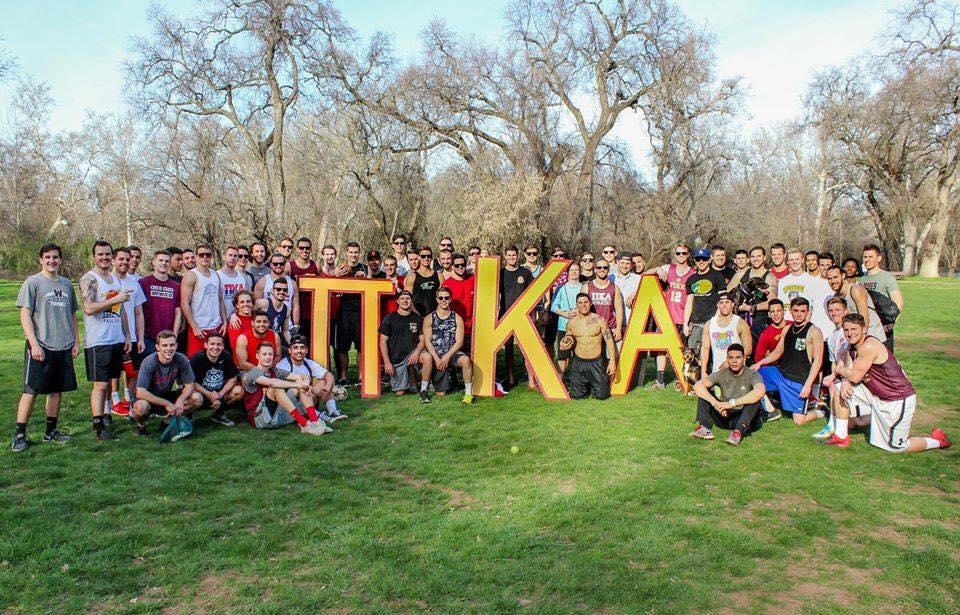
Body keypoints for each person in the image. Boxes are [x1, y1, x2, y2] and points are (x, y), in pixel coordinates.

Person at [823, 313, 950, 452]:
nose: (849, 333)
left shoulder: (869, 346)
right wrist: (845, 379)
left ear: (864, 329)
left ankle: (937, 441)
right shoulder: (851, 344)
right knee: (839, 387)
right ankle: (841, 437)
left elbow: (854, 376)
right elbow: (847, 361)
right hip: (876, 393)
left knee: (897, 447)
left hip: (896, 398)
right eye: (846, 330)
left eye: (854, 329)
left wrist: (841, 371)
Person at [13, 243, 79, 452]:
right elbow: (25, 315)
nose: (52, 261)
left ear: (60, 260)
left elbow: (72, 315)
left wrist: (75, 342)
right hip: (40, 345)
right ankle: (19, 434)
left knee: (56, 391)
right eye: (48, 257)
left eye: (56, 257)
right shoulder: (33, 283)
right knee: (31, 390)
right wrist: (33, 344)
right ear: (41, 259)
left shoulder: (67, 284)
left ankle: (51, 432)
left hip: (63, 346)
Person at [80, 241, 131, 440]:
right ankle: (98, 424)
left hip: (115, 338)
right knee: (100, 385)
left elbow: (122, 310)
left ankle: (107, 415)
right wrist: (115, 300)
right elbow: (89, 308)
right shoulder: (89, 279)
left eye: (108, 254)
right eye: (100, 254)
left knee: (111, 382)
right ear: (94, 256)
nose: (105, 258)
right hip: (98, 340)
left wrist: (126, 335)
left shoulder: (114, 279)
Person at [751, 297, 825, 425]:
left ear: (808, 312)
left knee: (799, 420)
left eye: (803, 311)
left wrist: (808, 385)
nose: (799, 314)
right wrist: (760, 363)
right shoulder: (787, 329)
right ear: (790, 311)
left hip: (798, 381)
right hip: (781, 374)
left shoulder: (814, 331)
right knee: (751, 374)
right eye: (796, 310)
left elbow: (817, 361)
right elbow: (777, 353)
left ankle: (821, 411)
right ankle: (770, 410)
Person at [241, 342, 330, 434]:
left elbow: (303, 376)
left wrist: (305, 383)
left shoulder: (275, 371)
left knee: (300, 382)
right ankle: (304, 424)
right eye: (264, 354)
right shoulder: (253, 372)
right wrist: (297, 385)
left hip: (277, 415)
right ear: (257, 356)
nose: (268, 357)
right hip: (260, 418)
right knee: (276, 387)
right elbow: (272, 383)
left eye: (270, 354)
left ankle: (315, 421)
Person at [689, 344, 766, 446]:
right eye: (731, 358)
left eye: (738, 357)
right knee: (704, 393)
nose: (734, 361)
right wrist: (716, 403)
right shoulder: (721, 373)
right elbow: (698, 386)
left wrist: (732, 403)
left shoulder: (753, 374)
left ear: (744, 358)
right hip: (724, 414)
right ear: (727, 359)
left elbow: (760, 391)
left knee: (754, 400)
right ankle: (704, 428)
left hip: (745, 418)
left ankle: (737, 433)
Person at [132, 330, 201, 436]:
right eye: (164, 345)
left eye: (172, 345)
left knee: (197, 398)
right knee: (141, 408)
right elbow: (140, 393)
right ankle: (141, 426)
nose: (169, 349)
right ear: (157, 347)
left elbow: (189, 384)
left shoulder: (181, 359)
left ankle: (167, 420)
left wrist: (181, 400)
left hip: (171, 395)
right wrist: (166, 404)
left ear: (176, 346)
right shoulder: (149, 362)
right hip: (151, 399)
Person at [646, 243, 693, 389]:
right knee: (661, 349)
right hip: (665, 316)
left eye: (683, 253)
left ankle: (681, 379)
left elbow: (691, 300)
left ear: (688, 255)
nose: (680, 256)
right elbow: (645, 275)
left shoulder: (693, 273)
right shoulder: (668, 268)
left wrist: (686, 323)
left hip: (681, 317)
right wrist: (657, 269)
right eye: (678, 253)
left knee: (680, 349)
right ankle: (660, 380)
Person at [109, 246, 147, 418]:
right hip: (110, 337)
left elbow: (139, 312)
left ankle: (132, 406)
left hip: (130, 336)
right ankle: (109, 406)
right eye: (121, 259)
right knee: (109, 375)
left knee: (133, 372)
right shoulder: (106, 281)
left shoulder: (135, 284)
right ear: (113, 260)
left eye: (127, 259)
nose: (125, 262)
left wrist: (140, 338)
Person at [276, 335, 346, 424]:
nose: (299, 351)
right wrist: (312, 389)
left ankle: (333, 411)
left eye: (302, 348)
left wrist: (328, 386)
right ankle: (318, 415)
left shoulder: (308, 363)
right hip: (291, 402)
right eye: (295, 348)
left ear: (306, 350)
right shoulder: (283, 365)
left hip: (307, 397)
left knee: (324, 381)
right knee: (300, 388)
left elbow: (328, 375)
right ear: (290, 350)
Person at [559, 293, 617, 400]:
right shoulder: (571, 323)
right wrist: (565, 343)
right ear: (576, 305)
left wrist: (612, 361)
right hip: (579, 363)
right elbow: (569, 337)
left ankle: (595, 383)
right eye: (580, 303)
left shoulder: (600, 320)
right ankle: (586, 384)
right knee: (576, 396)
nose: (583, 305)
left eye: (586, 302)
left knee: (602, 396)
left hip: (596, 363)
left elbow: (609, 340)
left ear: (590, 303)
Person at [421, 288, 475, 404]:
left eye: (446, 298)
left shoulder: (457, 318)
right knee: (441, 394)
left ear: (450, 299)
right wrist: (436, 358)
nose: (443, 300)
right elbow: (428, 341)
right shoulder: (429, 318)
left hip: (451, 352)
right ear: (437, 299)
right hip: (436, 353)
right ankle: (424, 390)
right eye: (441, 298)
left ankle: (468, 394)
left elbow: (459, 342)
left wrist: (447, 356)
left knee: (465, 360)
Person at [812, 297, 851, 440]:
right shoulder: (832, 336)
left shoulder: (848, 332)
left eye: (837, 310)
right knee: (832, 386)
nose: (834, 313)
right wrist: (833, 375)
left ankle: (838, 432)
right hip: (841, 374)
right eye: (831, 310)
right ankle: (832, 425)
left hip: (851, 375)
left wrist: (834, 376)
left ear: (845, 311)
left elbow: (847, 358)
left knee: (836, 387)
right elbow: (834, 361)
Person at [180, 244, 226, 357]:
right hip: (199, 327)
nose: (205, 257)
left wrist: (224, 322)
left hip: (216, 326)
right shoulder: (191, 275)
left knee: (215, 359)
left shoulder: (216, 274)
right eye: (201, 255)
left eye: (208, 255)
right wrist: (194, 326)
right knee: (197, 361)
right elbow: (184, 303)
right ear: (196, 257)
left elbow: (220, 300)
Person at [378, 291, 426, 396]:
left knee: (427, 357)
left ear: (411, 301)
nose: (405, 300)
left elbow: (423, 340)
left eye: (408, 298)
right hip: (397, 359)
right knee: (400, 392)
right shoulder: (389, 318)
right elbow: (382, 341)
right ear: (397, 301)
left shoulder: (418, 319)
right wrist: (387, 362)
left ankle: (424, 387)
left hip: (413, 353)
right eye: (402, 298)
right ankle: (404, 378)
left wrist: (417, 352)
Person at [189, 333, 243, 426]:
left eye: (219, 344)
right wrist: (210, 395)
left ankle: (219, 414)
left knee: (238, 391)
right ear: (206, 345)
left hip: (219, 393)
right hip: (202, 393)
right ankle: (188, 415)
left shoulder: (226, 356)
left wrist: (220, 394)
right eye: (212, 344)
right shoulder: (197, 359)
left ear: (222, 346)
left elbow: (233, 378)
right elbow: (192, 382)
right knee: (195, 396)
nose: (215, 347)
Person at [777, 248, 833, 336]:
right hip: (786, 325)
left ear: (802, 260)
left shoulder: (812, 281)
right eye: (791, 260)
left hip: (804, 325)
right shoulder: (782, 282)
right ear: (787, 262)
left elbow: (812, 307)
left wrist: (805, 324)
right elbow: (781, 305)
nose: (794, 262)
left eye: (797, 259)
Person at [333, 242, 367, 385]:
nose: (353, 255)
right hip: (344, 311)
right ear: (346, 253)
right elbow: (333, 286)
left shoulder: (364, 268)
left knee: (361, 345)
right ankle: (343, 376)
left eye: (356, 252)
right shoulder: (340, 268)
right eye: (351, 252)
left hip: (360, 311)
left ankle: (361, 376)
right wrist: (336, 276)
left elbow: (371, 284)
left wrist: (365, 277)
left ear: (359, 253)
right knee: (342, 346)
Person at [684, 247, 727, 358]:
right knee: (694, 356)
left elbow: (723, 300)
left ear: (709, 260)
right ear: (695, 260)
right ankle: (698, 376)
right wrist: (685, 324)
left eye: (704, 259)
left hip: (712, 323)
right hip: (695, 324)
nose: (701, 262)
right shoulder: (691, 279)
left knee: (714, 356)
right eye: (698, 259)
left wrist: (715, 320)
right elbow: (689, 303)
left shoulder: (717, 277)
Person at [825, 265, 886, 343]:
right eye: (829, 279)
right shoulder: (836, 296)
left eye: (835, 277)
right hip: (856, 338)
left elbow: (864, 318)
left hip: (873, 337)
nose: (833, 281)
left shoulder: (855, 290)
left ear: (843, 276)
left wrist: (862, 341)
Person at [859, 244, 903, 351]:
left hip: (883, 328)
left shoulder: (887, 277)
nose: (867, 260)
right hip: (867, 327)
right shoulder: (861, 280)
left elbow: (898, 302)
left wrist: (891, 323)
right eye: (865, 257)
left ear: (878, 258)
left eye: (870, 257)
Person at [139, 250, 182, 357]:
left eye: (167, 261)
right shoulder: (143, 283)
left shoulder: (176, 286)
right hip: (148, 337)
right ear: (154, 262)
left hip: (168, 339)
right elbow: (138, 312)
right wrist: (140, 338)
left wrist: (174, 336)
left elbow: (178, 313)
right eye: (161, 260)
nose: (164, 263)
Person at [500, 246, 532, 389]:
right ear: (505, 256)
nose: (512, 257)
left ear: (518, 256)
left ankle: (532, 380)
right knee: (508, 349)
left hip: (522, 316)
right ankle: (511, 379)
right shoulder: (500, 273)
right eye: (509, 255)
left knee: (527, 348)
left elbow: (533, 294)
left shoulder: (525, 272)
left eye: (514, 255)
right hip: (505, 315)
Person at [700, 291, 752, 377]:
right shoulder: (709, 324)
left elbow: (748, 349)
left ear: (732, 304)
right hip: (717, 372)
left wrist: (729, 362)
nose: (724, 305)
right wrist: (703, 371)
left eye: (727, 302)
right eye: (721, 303)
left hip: (737, 373)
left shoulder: (740, 323)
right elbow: (705, 348)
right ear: (717, 305)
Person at [736, 246, 779, 343]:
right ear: (749, 259)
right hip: (741, 320)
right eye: (753, 256)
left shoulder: (770, 277)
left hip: (759, 322)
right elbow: (727, 294)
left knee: (756, 353)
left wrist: (750, 308)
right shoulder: (741, 274)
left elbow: (771, 303)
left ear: (764, 258)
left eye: (759, 256)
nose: (755, 259)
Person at [254, 253, 300, 335]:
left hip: (287, 326)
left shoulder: (292, 283)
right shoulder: (262, 282)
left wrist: (296, 325)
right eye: (275, 264)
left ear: (285, 264)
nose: (278, 266)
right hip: (268, 327)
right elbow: (256, 308)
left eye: (281, 264)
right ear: (271, 265)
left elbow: (296, 305)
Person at [582, 258, 624, 342]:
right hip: (592, 328)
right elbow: (581, 308)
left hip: (608, 329)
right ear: (595, 269)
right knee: (594, 355)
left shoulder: (615, 287)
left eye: (605, 267)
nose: (602, 270)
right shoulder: (587, 286)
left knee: (611, 354)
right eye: (599, 267)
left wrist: (618, 329)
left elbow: (619, 310)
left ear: (608, 270)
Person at [551, 262, 582, 374]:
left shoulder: (584, 287)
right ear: (567, 273)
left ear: (580, 271)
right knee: (562, 356)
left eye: (576, 270)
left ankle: (578, 384)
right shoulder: (561, 288)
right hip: (564, 327)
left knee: (579, 357)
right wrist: (565, 314)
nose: (574, 272)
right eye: (572, 270)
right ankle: (559, 383)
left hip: (580, 327)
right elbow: (553, 307)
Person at [441, 253, 476, 339]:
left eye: (462, 265)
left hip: (472, 329)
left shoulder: (473, 280)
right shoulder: (447, 285)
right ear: (452, 267)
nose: (460, 267)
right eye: (457, 265)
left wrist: (485, 256)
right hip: (454, 330)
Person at [219, 245, 250, 319]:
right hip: (220, 320)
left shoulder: (243, 277)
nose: (232, 258)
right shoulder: (217, 276)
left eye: (235, 256)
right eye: (230, 255)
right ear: (224, 257)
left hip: (238, 319)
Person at [613, 252, 641, 328]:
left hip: (631, 324)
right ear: (617, 262)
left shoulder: (638, 279)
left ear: (632, 265)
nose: (625, 266)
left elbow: (647, 293)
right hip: (614, 324)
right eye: (622, 263)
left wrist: (635, 293)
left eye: (628, 263)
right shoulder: (610, 278)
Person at [754, 299, 786, 363]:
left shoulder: (792, 325)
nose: (775, 314)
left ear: (784, 311)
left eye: (778, 311)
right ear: (769, 314)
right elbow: (758, 358)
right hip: (777, 367)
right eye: (772, 311)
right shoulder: (766, 333)